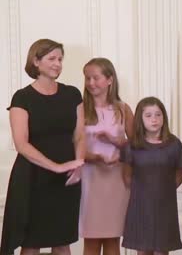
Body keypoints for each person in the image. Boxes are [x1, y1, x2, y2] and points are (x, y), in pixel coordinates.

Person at [0, 39, 85, 255]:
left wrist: (78, 164)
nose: (57, 64)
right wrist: (56, 166)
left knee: (62, 239)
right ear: (36, 61)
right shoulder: (22, 97)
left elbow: (80, 136)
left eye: (60, 59)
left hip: (66, 178)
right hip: (32, 178)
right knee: (31, 242)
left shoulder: (72, 94)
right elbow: (21, 143)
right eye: (51, 59)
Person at [79, 58, 134, 255]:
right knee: (92, 239)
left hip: (116, 180)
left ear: (110, 80)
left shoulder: (122, 109)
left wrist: (116, 143)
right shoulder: (80, 109)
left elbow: (138, 146)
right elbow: (72, 147)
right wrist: (93, 157)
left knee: (112, 238)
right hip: (90, 179)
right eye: (87, 78)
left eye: (96, 78)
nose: (90, 83)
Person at [121, 97, 182, 255]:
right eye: (148, 115)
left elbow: (179, 174)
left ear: (164, 117)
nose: (154, 119)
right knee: (142, 250)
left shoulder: (174, 144)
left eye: (158, 114)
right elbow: (127, 176)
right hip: (140, 204)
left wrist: (162, 190)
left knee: (161, 250)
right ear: (140, 119)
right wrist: (144, 192)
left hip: (165, 205)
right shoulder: (132, 146)